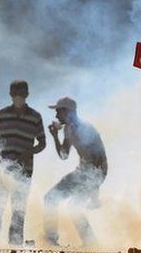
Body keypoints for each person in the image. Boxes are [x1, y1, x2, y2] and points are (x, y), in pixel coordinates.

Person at [44, 97, 107, 247]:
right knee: (51, 198)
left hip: (93, 174)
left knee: (73, 206)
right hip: (83, 172)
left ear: (67, 111)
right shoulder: (69, 129)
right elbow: (64, 155)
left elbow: (99, 158)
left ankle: (90, 243)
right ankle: (51, 240)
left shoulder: (86, 129)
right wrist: (54, 136)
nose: (56, 115)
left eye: (58, 111)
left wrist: (94, 189)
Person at [0, 80, 46, 245]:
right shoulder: (2, 115)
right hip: (3, 170)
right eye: (15, 93)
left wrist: (28, 153)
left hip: (24, 170)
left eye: (21, 94)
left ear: (27, 95)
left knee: (19, 209)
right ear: (10, 94)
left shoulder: (35, 117)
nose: (18, 97)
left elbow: (42, 143)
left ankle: (14, 245)